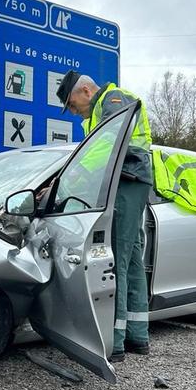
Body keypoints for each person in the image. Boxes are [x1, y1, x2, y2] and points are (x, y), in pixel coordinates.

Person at [56, 71, 153, 363]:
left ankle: (116, 341)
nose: (73, 112)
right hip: (132, 180)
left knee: (117, 259)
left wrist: (71, 177)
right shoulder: (100, 111)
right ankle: (138, 335)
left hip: (128, 179)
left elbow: (108, 146)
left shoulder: (113, 100)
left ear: (85, 90)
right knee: (132, 259)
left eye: (72, 105)